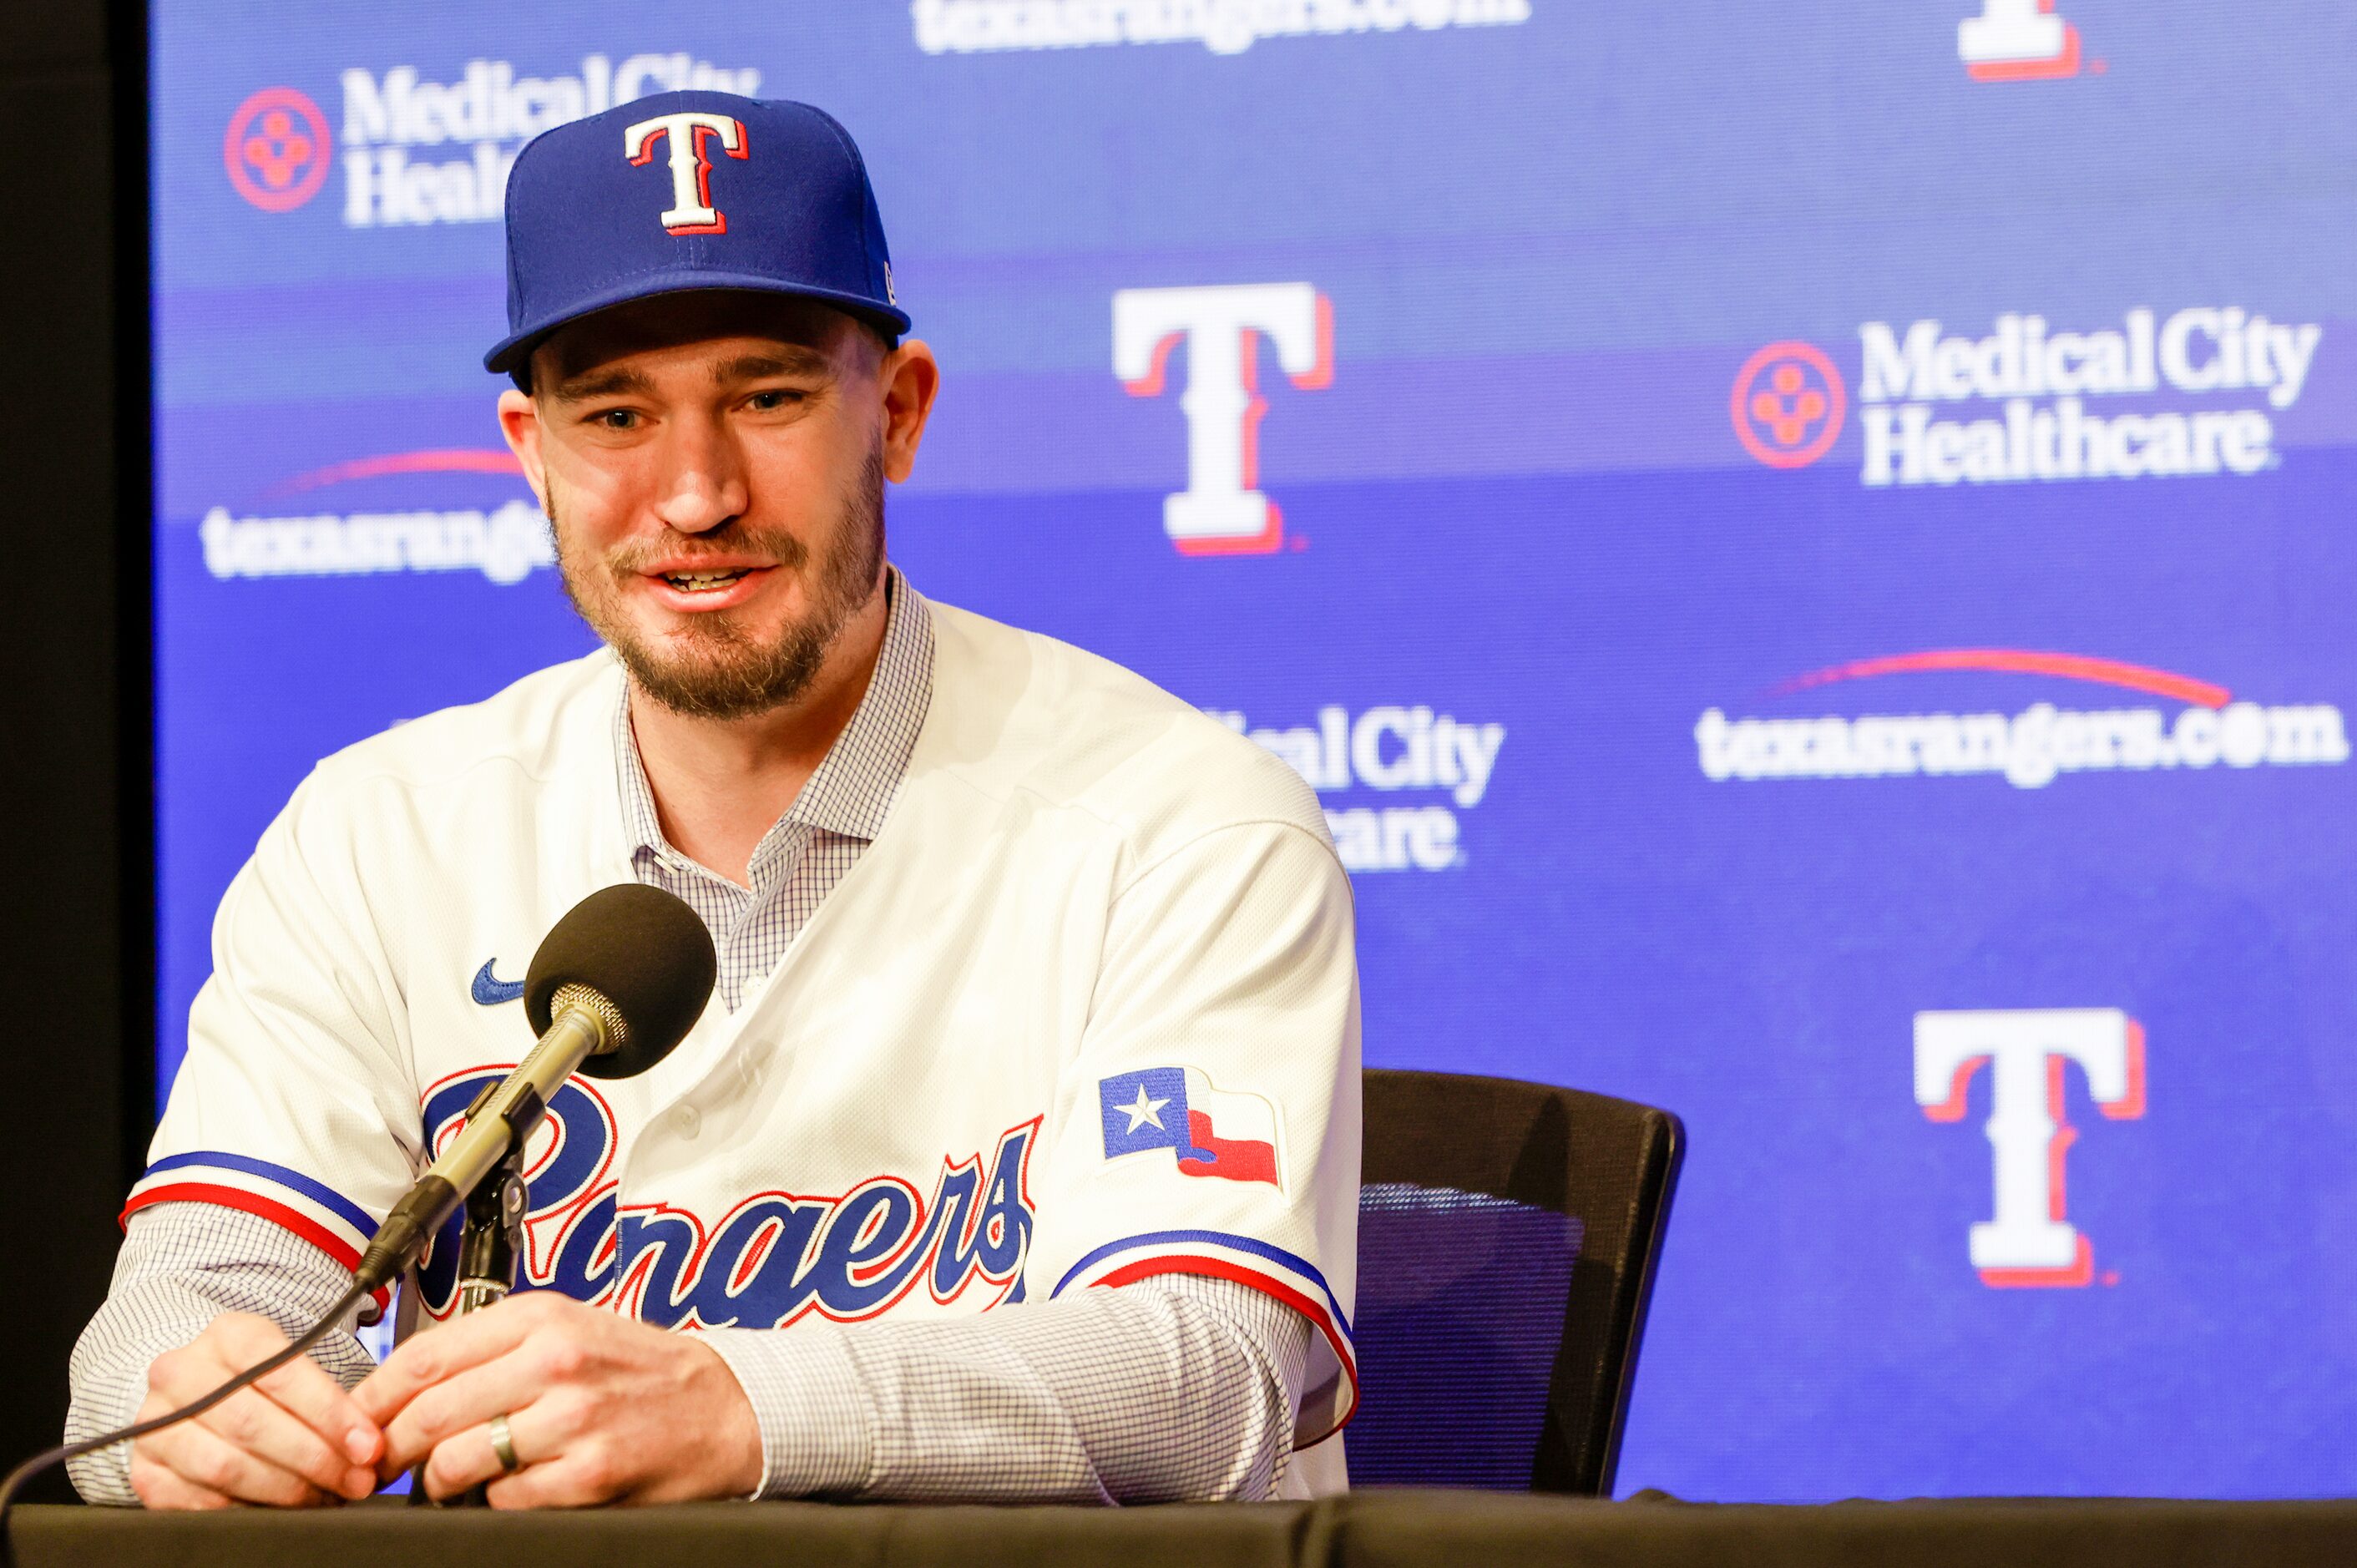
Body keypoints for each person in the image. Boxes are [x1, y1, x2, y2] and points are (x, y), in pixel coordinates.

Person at [67, 93, 1358, 1510]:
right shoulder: (377, 834)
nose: (694, 493)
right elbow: (167, 1317)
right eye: (616, 413)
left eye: (767, 396)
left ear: (902, 411)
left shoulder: (1179, 824)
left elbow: (1206, 1374)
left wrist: (742, 1405)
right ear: (528, 449)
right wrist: (183, 1410)